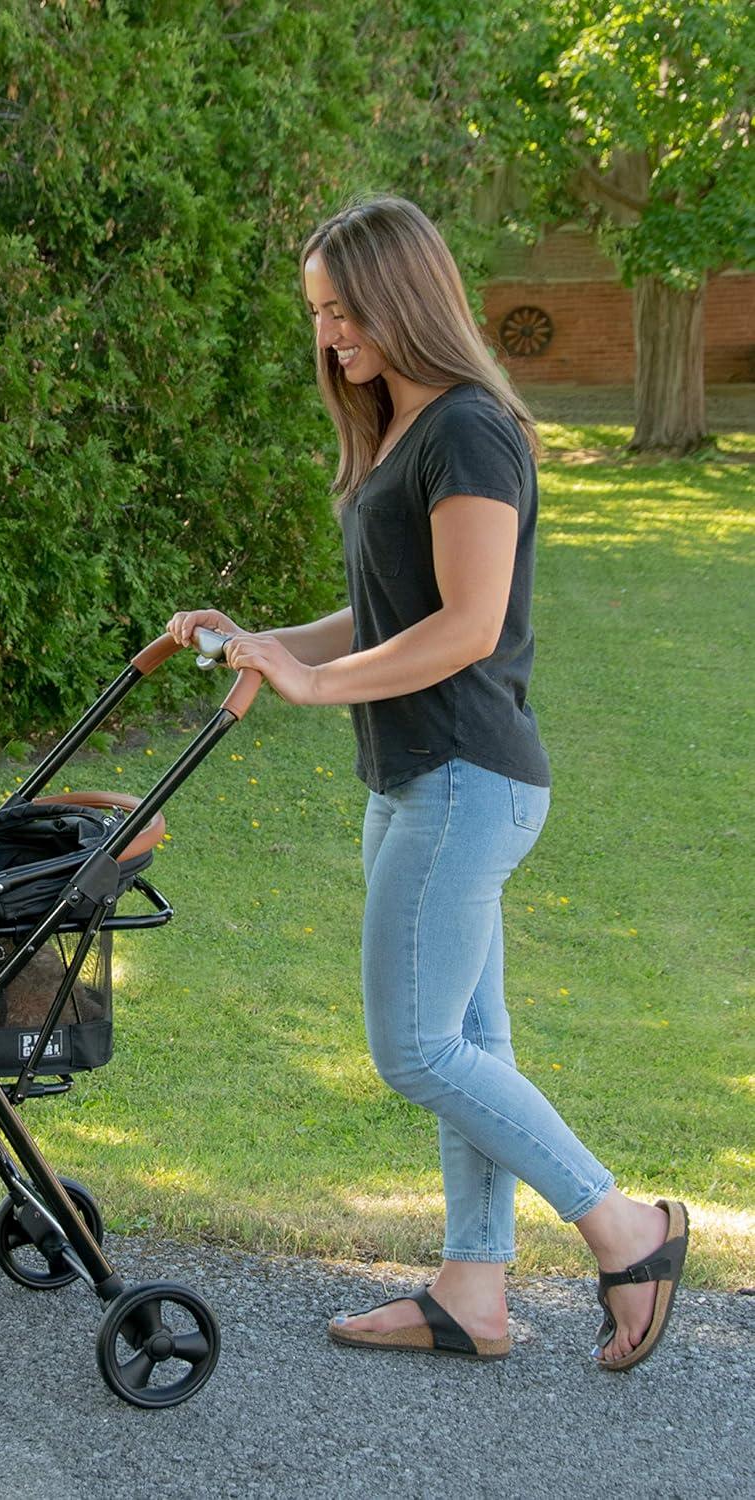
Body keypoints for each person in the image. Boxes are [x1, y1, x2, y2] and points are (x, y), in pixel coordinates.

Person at [166, 195, 687, 1370]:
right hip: (415, 780)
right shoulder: (404, 435)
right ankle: (473, 1289)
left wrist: (316, 686)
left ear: (403, 298)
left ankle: (628, 1231)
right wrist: (265, 644)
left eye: (345, 309)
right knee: (468, 1043)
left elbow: (467, 625)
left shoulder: (468, 432)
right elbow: (388, 613)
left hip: (463, 778)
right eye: (316, 314)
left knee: (416, 1051)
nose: (329, 335)